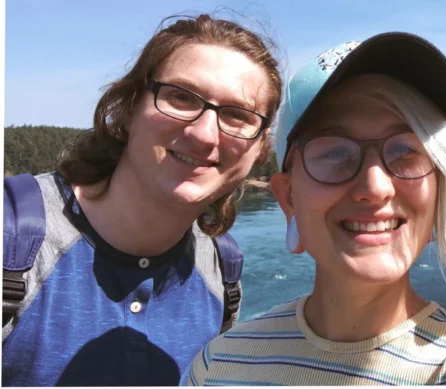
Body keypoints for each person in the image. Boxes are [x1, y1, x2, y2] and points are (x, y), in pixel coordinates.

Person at [183, 33, 446, 386]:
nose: (375, 187)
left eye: (405, 151)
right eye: (333, 151)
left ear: (437, 196)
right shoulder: (217, 365)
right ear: (288, 199)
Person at [2, 14, 282, 386]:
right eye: (180, 96)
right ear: (130, 106)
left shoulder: (221, 271)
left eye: (237, 115)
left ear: (260, 147)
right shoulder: (13, 238)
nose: (204, 134)